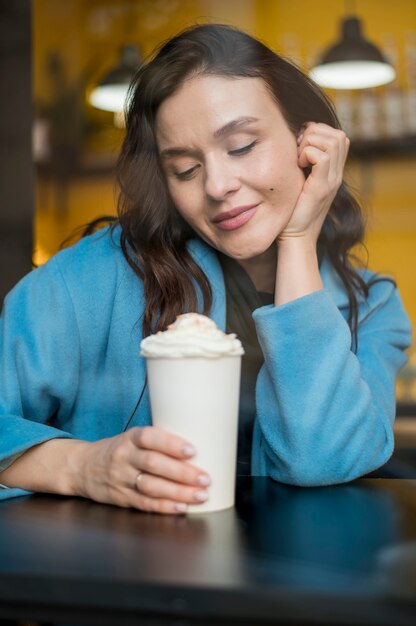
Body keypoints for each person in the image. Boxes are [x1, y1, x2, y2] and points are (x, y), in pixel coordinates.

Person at [0, 24, 412, 514]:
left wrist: (298, 241)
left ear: (309, 141)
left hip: (297, 584)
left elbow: (322, 459)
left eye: (241, 146)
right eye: (186, 170)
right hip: (124, 578)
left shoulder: (371, 305)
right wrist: (80, 465)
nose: (217, 185)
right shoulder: (87, 280)